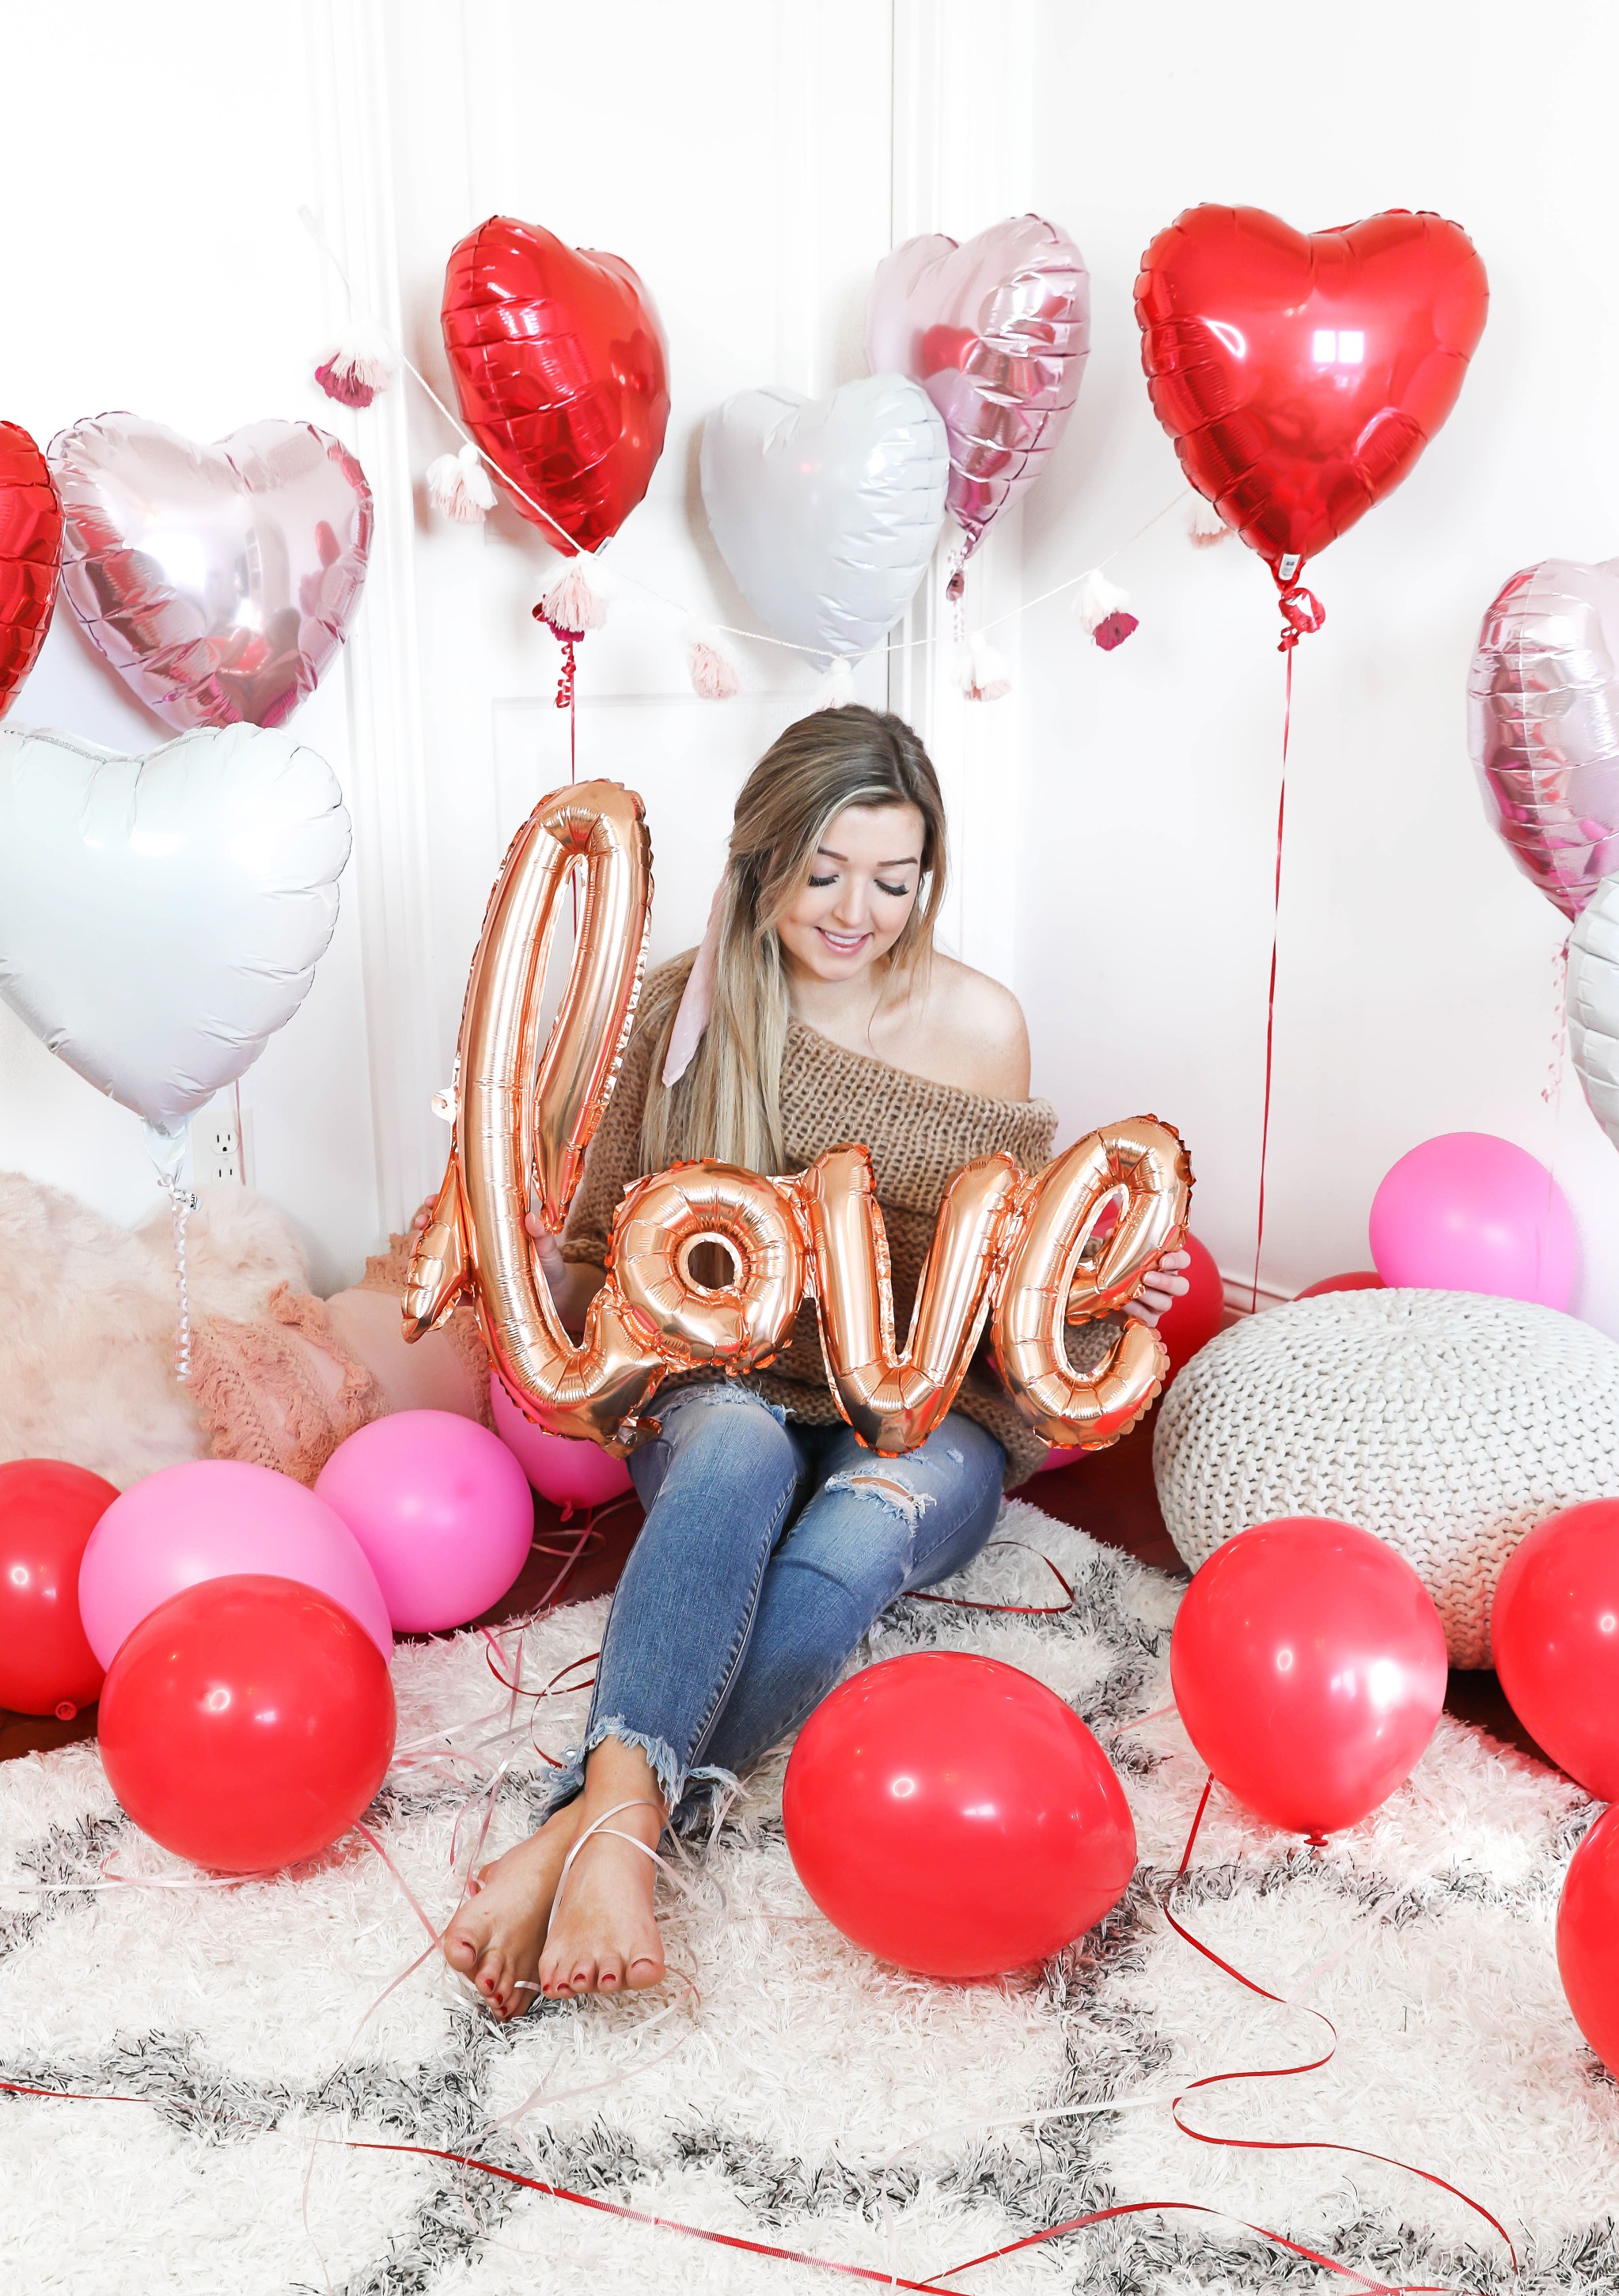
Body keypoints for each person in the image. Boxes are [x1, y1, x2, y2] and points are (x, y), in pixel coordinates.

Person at [436, 707, 1189, 2016]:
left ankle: (583, 1837)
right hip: (718, 1384)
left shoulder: (980, 1024)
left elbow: (993, 1271)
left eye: (893, 880)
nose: (856, 911)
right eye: (824, 872)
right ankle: (627, 1827)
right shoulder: (685, 1007)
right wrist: (543, 1251)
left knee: (850, 1537)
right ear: (760, 856)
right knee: (731, 1444)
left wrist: (1102, 1288)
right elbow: (613, 1244)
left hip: (920, 1406)